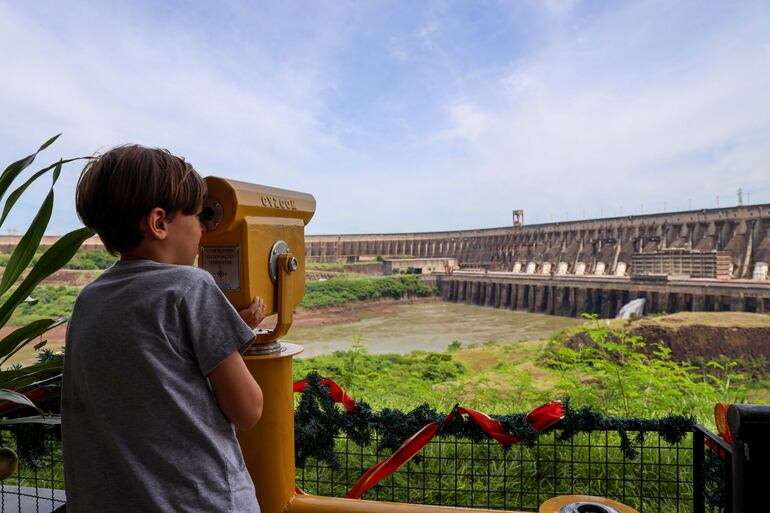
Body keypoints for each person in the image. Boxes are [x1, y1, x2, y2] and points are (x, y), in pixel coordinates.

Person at [62, 145, 265, 512]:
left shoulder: (89, 300)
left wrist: (232, 329)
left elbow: (158, 375)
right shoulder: (192, 286)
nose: (203, 228)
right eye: (197, 216)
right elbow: (247, 409)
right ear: (159, 223)